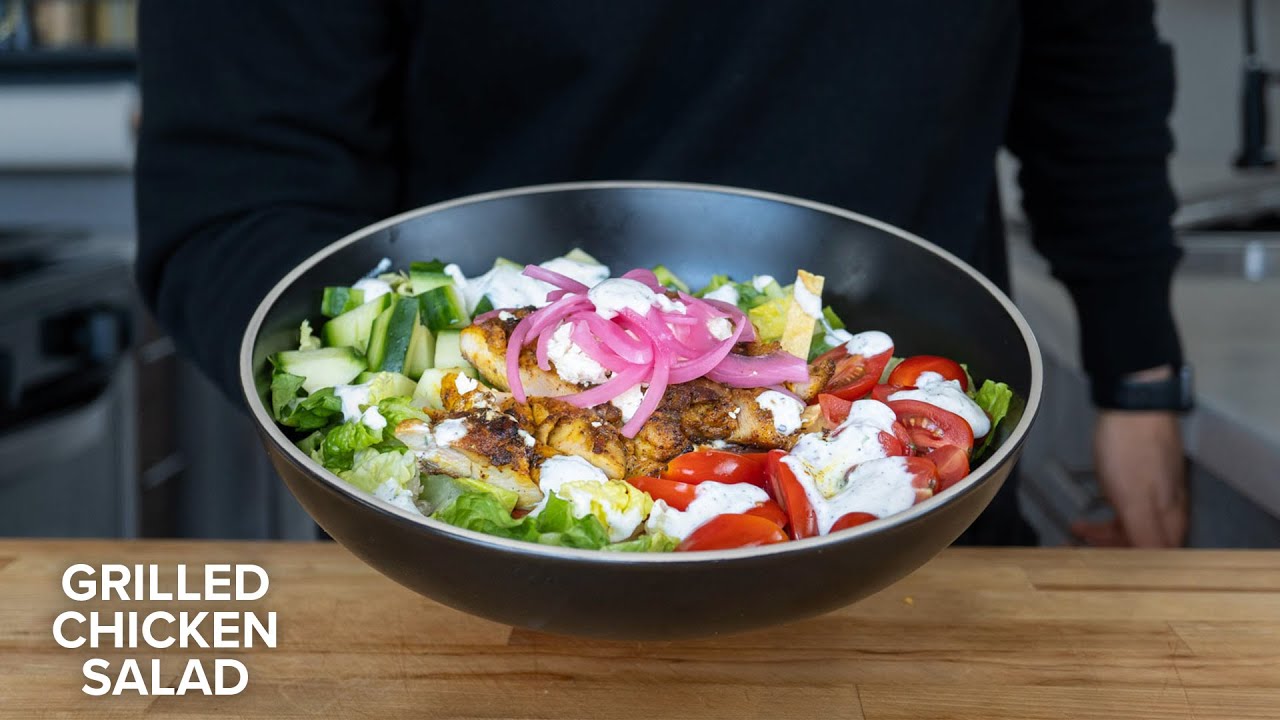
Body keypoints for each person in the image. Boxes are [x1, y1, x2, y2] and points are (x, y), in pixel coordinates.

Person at [134, 1, 1189, 548]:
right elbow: (239, 187)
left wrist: (1135, 365)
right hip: (473, 599)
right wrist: (407, 449)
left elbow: (1085, 58)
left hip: (900, 515)